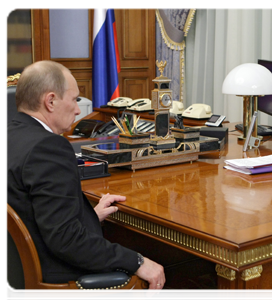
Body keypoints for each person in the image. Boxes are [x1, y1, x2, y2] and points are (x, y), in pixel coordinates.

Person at [5, 60, 182, 300]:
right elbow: (67, 241)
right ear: (50, 101)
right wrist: (138, 261)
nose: (79, 110)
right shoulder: (48, 147)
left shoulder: (9, 136)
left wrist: (87, 215)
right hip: (60, 286)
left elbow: (31, 210)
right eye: (75, 100)